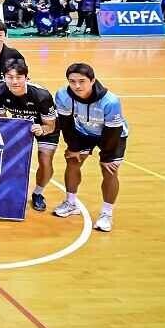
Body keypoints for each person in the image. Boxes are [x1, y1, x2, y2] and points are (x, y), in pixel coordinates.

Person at [52, 63, 127, 232]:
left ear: (92, 80)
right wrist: (73, 147)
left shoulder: (110, 101)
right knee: (72, 161)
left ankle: (106, 214)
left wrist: (106, 157)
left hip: (111, 135)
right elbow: (66, 123)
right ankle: (71, 203)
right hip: (83, 131)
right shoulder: (63, 95)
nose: (77, 86)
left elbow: (113, 130)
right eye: (72, 81)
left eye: (82, 81)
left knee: (109, 170)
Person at [0, 59, 58, 212]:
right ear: (4, 77)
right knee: (7, 157)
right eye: (10, 77)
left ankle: (38, 193)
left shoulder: (42, 95)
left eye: (19, 77)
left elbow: (51, 125)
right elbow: (0, 117)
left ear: (27, 78)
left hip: (43, 125)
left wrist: (42, 129)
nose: (14, 81)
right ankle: (7, 191)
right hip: (20, 125)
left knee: (44, 159)